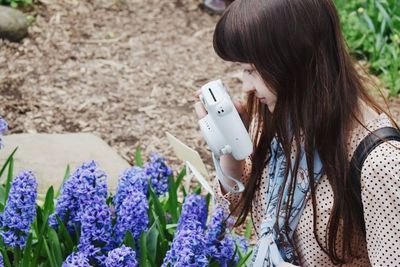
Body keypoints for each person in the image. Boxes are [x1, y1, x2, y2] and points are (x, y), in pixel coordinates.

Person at [194, 0, 400, 266]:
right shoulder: (279, 115)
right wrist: (230, 146)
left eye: (251, 70)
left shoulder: (381, 164)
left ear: (295, 61)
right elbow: (233, 212)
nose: (246, 85)